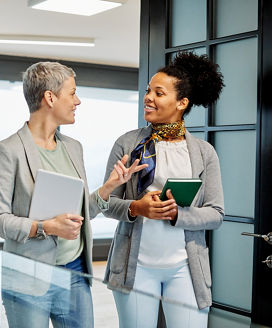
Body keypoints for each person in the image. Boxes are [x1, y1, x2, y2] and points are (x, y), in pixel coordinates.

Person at [0, 61, 147, 328]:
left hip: (75, 273)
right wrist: (46, 227)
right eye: (72, 93)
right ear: (50, 97)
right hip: (28, 278)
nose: (77, 101)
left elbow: (79, 212)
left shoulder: (73, 147)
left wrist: (109, 186)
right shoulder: (8, 151)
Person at [102, 52, 225, 328]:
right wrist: (136, 208)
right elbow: (105, 202)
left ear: (182, 103)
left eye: (159, 93)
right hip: (135, 269)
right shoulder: (126, 144)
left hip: (186, 270)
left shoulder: (204, 153)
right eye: (148, 91)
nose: (148, 98)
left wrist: (177, 215)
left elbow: (216, 214)